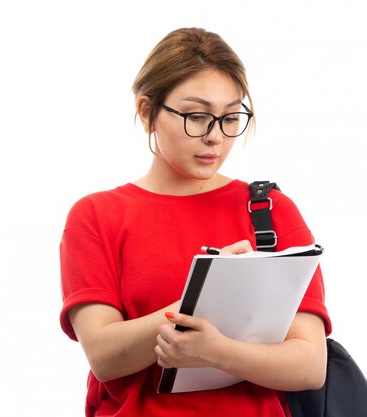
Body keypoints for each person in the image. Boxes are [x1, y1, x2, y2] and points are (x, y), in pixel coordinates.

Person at [59, 27, 331, 417]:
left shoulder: (269, 211)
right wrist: (209, 292)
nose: (215, 137)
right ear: (146, 111)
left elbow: (309, 366)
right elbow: (104, 356)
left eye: (230, 117)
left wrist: (218, 351)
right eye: (196, 116)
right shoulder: (97, 215)